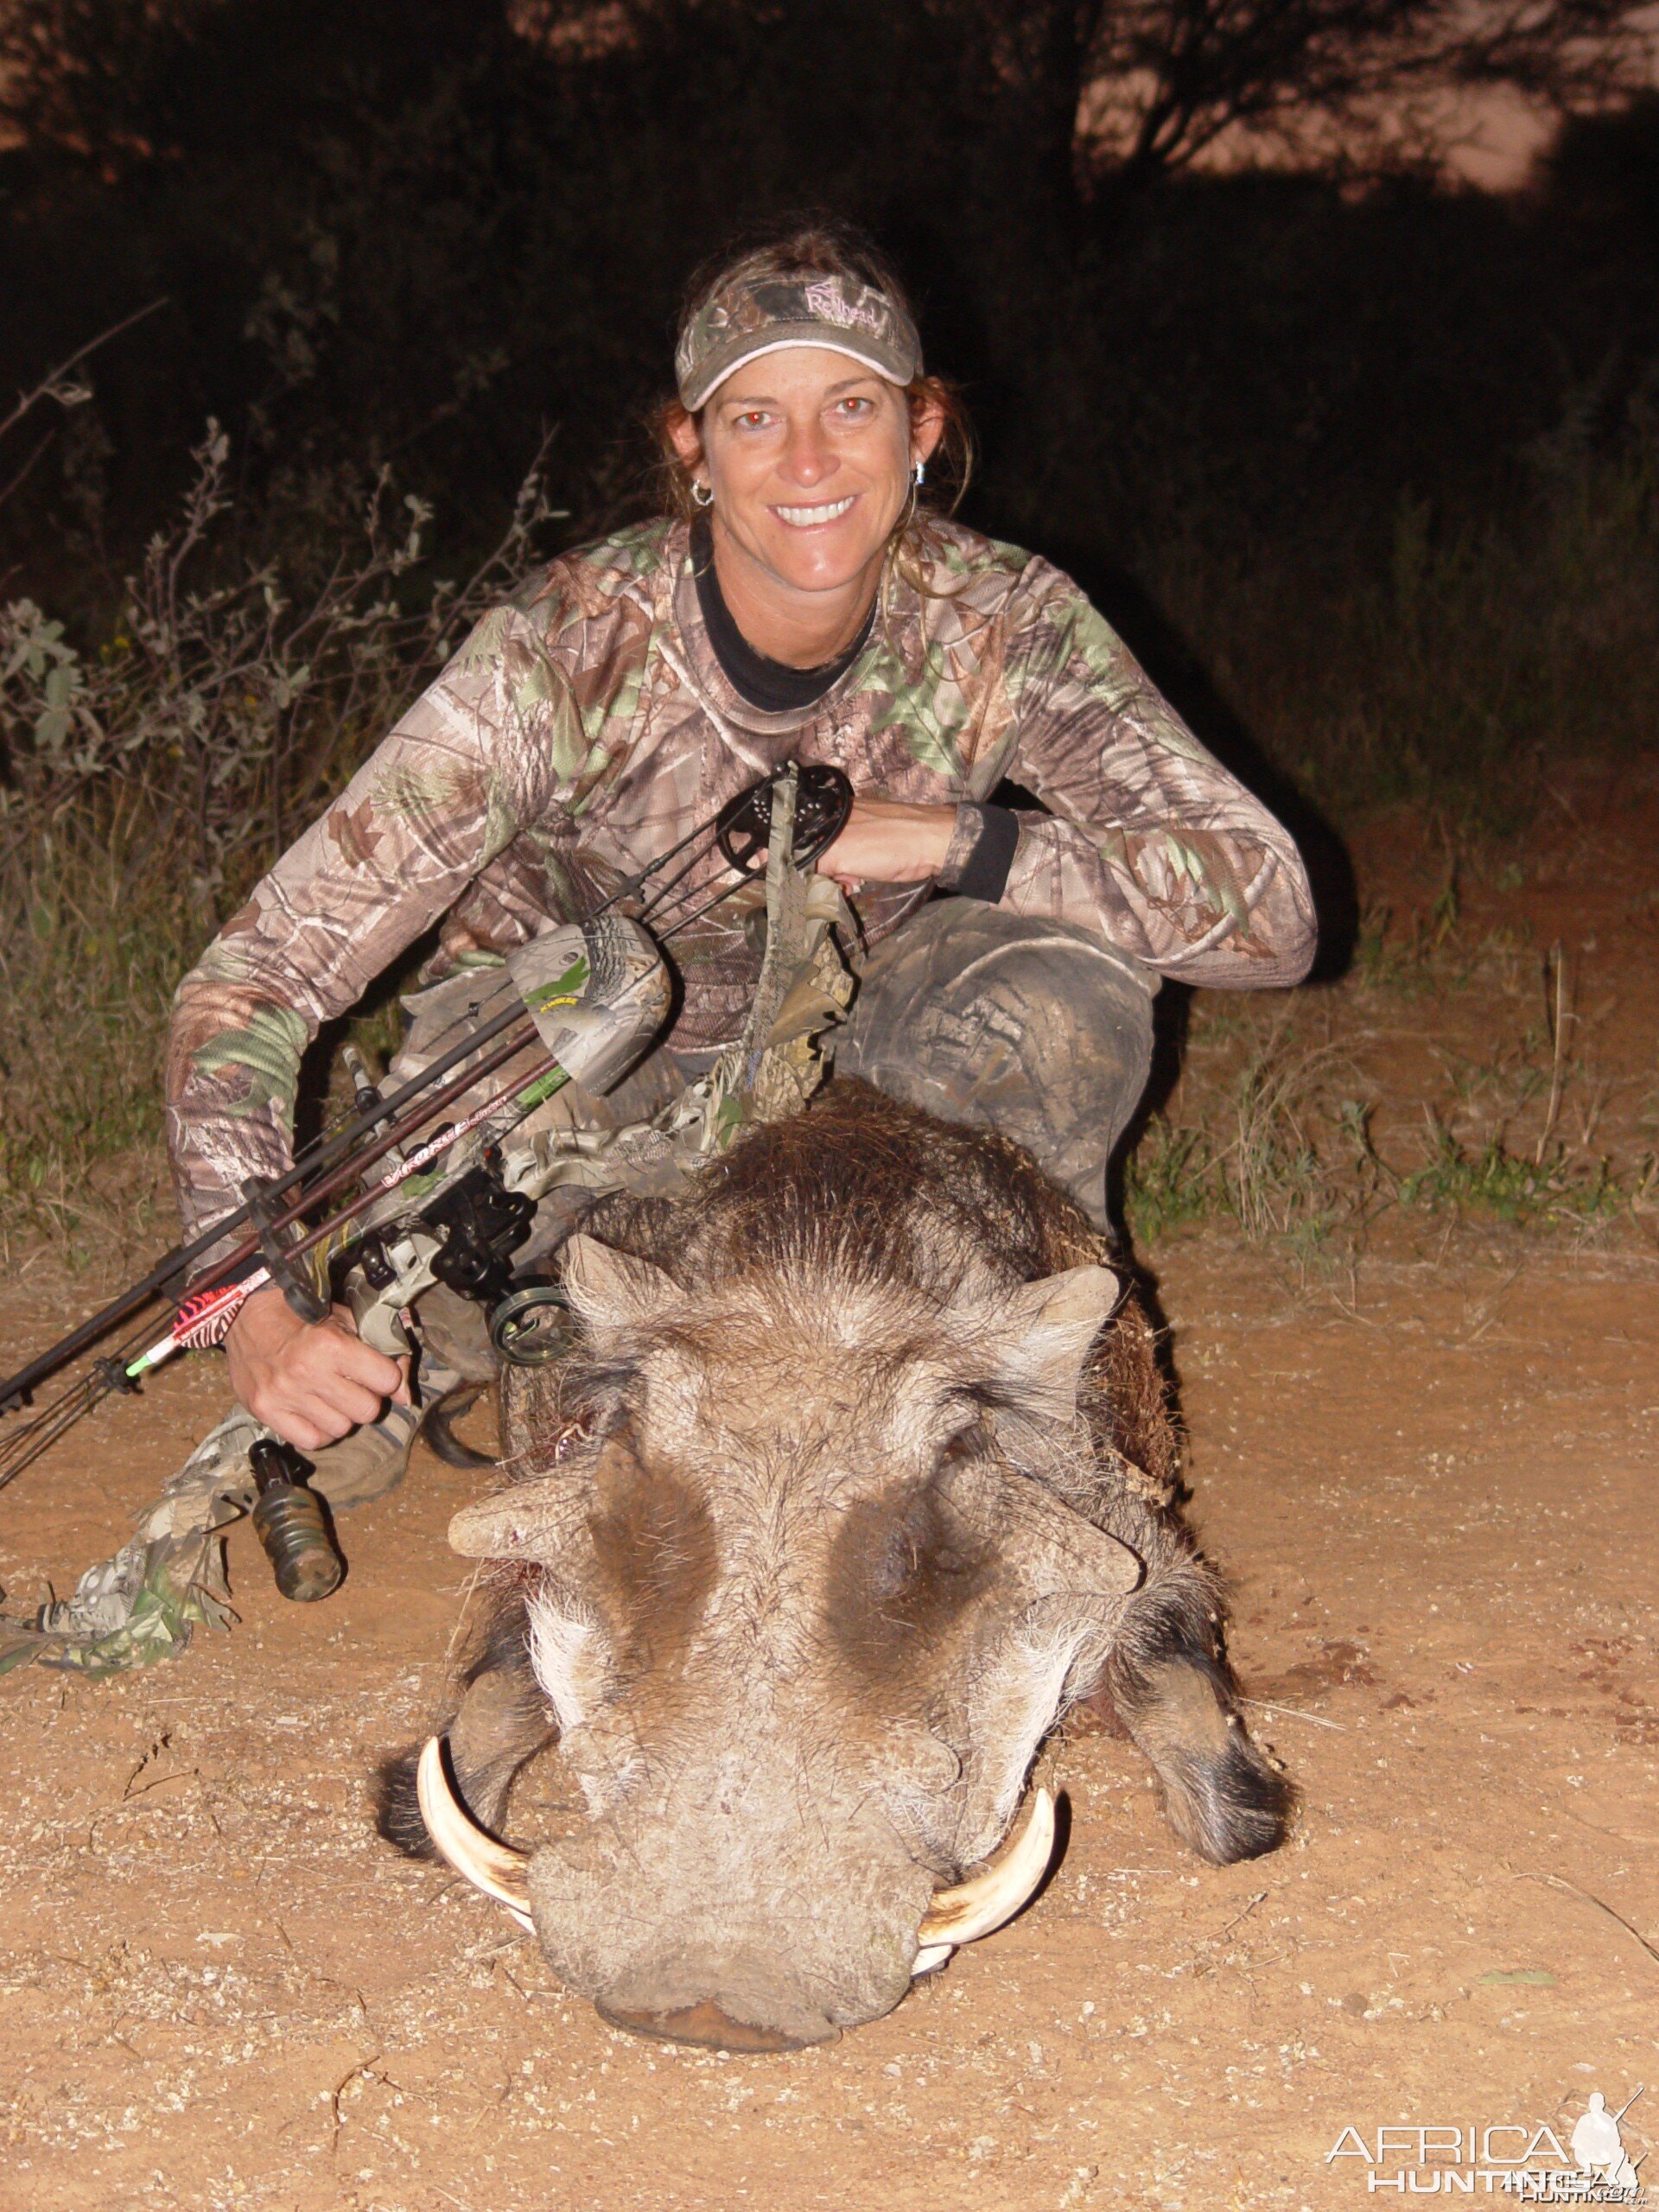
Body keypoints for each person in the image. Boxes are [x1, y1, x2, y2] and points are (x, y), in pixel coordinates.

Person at [164, 218, 1316, 1512]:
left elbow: (1270, 914)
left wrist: (952, 838)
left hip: (839, 1087)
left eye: (852, 406)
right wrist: (252, 1307)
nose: (810, 460)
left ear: (922, 431)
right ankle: (527, 1330)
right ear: (691, 448)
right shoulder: (564, 650)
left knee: (1065, 976)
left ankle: (1001, 1393)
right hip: (567, 1097)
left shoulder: (1010, 623)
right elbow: (254, 980)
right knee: (369, 1425)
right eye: (755, 418)